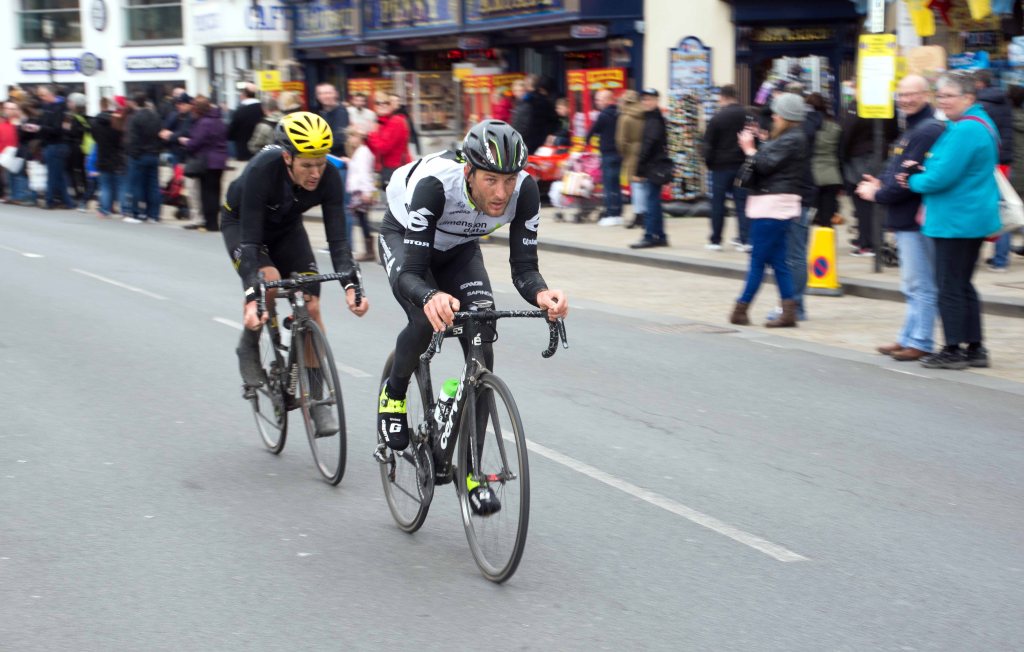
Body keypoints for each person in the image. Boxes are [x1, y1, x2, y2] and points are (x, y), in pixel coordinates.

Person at [375, 120, 568, 515]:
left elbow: (524, 268)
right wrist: (430, 296)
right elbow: (413, 273)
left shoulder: (526, 192)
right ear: (469, 172)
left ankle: (472, 472)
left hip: (460, 248)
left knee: (482, 329)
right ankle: (392, 396)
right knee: (425, 317)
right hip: (407, 238)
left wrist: (542, 294)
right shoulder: (435, 186)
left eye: (509, 180)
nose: (501, 194)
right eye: (491, 180)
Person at [222, 111, 369, 434]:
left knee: (312, 305)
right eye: (307, 165)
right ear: (287, 157)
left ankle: (316, 398)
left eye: (320, 163)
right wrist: (252, 297)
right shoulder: (263, 170)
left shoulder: (329, 175)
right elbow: (249, 243)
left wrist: (350, 285)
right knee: (270, 283)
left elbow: (338, 240)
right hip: (245, 228)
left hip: (287, 229)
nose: (316, 173)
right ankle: (249, 344)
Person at [902, 72, 1000, 370]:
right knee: (963, 284)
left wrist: (913, 179)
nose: (942, 101)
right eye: (940, 96)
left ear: (968, 98)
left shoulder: (965, 130)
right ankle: (975, 348)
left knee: (950, 286)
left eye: (948, 96)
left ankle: (953, 349)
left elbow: (940, 177)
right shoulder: (980, 123)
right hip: (970, 216)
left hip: (955, 218)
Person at [856, 74, 945, 362]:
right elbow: (896, 167)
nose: (906, 99)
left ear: (927, 94)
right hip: (906, 215)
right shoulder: (914, 127)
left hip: (914, 216)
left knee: (921, 282)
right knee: (912, 282)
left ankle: (921, 340)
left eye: (912, 94)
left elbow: (906, 176)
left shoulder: (926, 129)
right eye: (902, 95)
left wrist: (878, 193)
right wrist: (881, 183)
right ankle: (908, 336)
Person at [729, 92, 808, 328]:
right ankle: (789, 311)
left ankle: (741, 309)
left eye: (777, 113)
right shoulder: (790, 137)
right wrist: (762, 144)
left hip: (772, 206)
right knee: (779, 262)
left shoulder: (792, 138)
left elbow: (764, 165)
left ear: (786, 116)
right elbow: (771, 161)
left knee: (757, 262)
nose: (773, 116)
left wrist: (750, 149)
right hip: (776, 204)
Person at [702, 84, 750, 250]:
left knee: (718, 204)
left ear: (722, 97)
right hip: (743, 166)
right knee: (742, 203)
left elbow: (708, 144)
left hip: (721, 167)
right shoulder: (748, 115)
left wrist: (709, 163)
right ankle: (745, 239)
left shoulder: (717, 118)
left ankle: (716, 240)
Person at [975, 70, 1014, 273]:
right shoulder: (1003, 102)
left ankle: (978, 257)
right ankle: (1001, 259)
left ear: (980, 84)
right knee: (1000, 208)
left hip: (989, 162)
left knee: (984, 207)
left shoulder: (982, 106)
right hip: (1005, 161)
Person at [180, 96, 228, 233]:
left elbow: (195, 143)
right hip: (220, 161)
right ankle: (214, 222)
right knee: (216, 192)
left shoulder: (204, 123)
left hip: (207, 162)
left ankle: (210, 223)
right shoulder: (219, 121)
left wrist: (186, 142)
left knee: (207, 194)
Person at [629, 88, 670, 249]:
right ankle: (660, 235)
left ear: (656, 101)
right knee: (654, 202)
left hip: (654, 166)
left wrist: (639, 169)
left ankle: (649, 236)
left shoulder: (653, 120)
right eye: (644, 99)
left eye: (650, 99)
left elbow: (648, 145)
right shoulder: (653, 117)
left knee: (651, 203)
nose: (646, 102)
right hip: (655, 165)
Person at [585, 89, 623, 226]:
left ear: (608, 100)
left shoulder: (604, 115)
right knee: (616, 184)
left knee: (608, 184)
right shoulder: (620, 113)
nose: (597, 102)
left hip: (608, 153)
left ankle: (611, 213)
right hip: (619, 153)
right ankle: (618, 212)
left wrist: (586, 141)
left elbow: (592, 130)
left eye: (599, 99)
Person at [124, 93, 163, 223]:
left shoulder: (134, 118)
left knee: (136, 185)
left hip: (139, 155)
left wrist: (133, 153)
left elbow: (132, 139)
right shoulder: (155, 116)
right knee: (153, 186)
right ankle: (154, 214)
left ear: (135, 103)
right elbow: (160, 135)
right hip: (153, 154)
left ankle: (136, 212)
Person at [36, 85, 75, 210]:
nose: (41, 98)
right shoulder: (48, 108)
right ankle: (68, 202)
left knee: (53, 175)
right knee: (59, 175)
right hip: (53, 144)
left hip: (57, 145)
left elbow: (59, 129)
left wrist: (40, 128)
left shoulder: (61, 109)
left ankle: (50, 201)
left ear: (50, 95)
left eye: (42, 95)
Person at [806, 93, 843, 228]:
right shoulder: (835, 127)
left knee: (808, 218)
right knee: (827, 220)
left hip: (812, 175)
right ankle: (827, 246)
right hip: (832, 175)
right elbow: (840, 153)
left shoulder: (809, 128)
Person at [344, 126, 376, 262]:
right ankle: (368, 249)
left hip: (361, 191)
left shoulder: (363, 152)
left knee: (363, 219)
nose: (350, 139)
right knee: (362, 219)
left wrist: (367, 191)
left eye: (353, 136)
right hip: (360, 190)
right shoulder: (360, 152)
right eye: (350, 136)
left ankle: (369, 250)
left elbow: (364, 173)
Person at [367, 92, 410, 188]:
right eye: (378, 103)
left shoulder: (396, 121)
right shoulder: (381, 123)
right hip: (385, 169)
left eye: (386, 102)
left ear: (391, 105)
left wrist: (372, 133)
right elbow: (374, 150)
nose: (382, 105)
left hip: (395, 169)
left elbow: (383, 148)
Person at [616, 90, 646, 229]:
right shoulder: (645, 114)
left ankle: (638, 215)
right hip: (645, 151)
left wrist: (624, 153)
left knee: (636, 185)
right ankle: (645, 214)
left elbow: (621, 140)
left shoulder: (625, 117)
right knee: (644, 186)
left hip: (631, 153)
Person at [91, 97, 124, 217]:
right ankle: (123, 209)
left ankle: (105, 210)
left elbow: (94, 138)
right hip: (117, 156)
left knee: (105, 186)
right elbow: (121, 138)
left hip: (102, 155)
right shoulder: (116, 120)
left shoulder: (94, 122)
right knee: (120, 185)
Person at [226, 84, 263, 162]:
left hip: (243, 151)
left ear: (244, 95)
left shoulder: (240, 111)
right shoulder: (263, 109)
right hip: (262, 151)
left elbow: (232, 130)